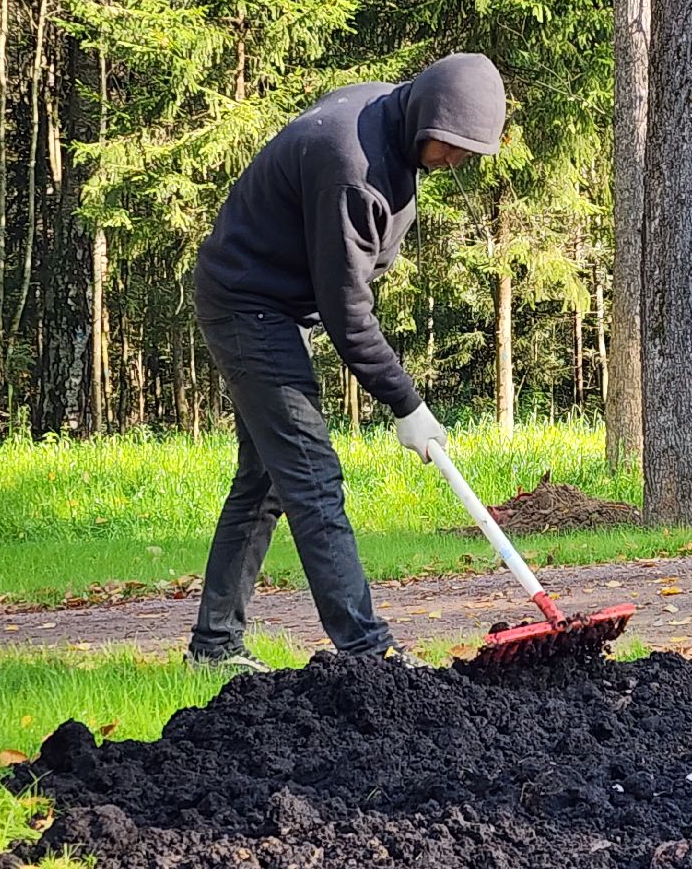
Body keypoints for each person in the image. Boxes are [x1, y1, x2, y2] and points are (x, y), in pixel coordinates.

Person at [185, 52, 506, 672]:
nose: (455, 160)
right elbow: (347, 313)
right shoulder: (352, 167)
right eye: (451, 145)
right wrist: (406, 402)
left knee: (266, 480)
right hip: (249, 305)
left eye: (468, 151)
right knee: (310, 475)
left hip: (276, 303)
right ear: (427, 115)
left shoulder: (392, 118)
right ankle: (368, 649)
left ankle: (213, 645)